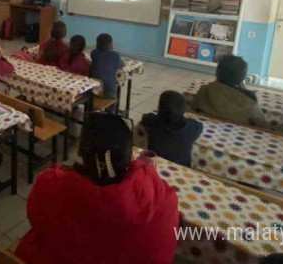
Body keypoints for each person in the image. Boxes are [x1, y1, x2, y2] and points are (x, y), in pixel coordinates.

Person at [15, 113, 179, 264]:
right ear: (130, 156)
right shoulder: (164, 202)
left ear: (81, 153)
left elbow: (36, 218)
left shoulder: (50, 185)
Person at [192, 55, 267, 127]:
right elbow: (263, 125)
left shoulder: (203, 90)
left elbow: (193, 109)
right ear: (243, 77)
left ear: (216, 73)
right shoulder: (250, 102)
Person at [139, 91, 203, 167]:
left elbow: (145, 117)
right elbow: (199, 126)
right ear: (183, 109)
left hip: (154, 165)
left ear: (159, 108)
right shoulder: (193, 127)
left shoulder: (151, 122)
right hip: (181, 168)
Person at [90, 33, 124, 99]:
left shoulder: (93, 53)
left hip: (94, 89)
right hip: (109, 91)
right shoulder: (115, 55)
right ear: (111, 44)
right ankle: (111, 109)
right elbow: (121, 64)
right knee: (113, 99)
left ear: (97, 44)